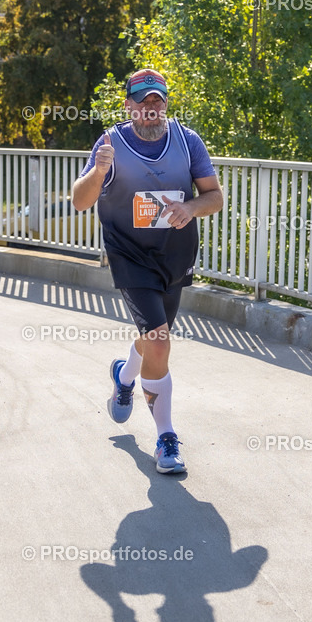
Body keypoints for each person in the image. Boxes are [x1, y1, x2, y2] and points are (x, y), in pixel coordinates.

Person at [71, 69, 223, 474]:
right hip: (130, 256)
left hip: (174, 256)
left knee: (154, 338)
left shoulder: (188, 141)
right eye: (143, 101)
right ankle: (166, 438)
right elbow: (80, 201)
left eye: (158, 100)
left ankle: (125, 375)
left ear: (166, 104)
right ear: (129, 106)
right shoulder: (110, 144)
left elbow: (214, 197)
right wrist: (99, 172)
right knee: (159, 342)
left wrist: (190, 208)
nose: (151, 108)